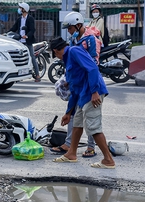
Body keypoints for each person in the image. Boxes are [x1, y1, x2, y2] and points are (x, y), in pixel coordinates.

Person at [49, 37, 115, 169]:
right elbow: (74, 90)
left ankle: (108, 160)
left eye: (55, 55)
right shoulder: (68, 61)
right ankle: (71, 153)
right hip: (83, 95)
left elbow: (92, 69)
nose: (57, 58)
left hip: (92, 94)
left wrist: (94, 91)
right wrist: (68, 113)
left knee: (93, 127)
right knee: (77, 122)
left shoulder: (74, 51)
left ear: (56, 50)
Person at [50, 11, 99, 158]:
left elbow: (93, 64)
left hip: (89, 83)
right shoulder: (73, 40)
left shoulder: (90, 40)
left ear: (78, 25)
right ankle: (69, 144)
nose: (69, 31)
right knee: (73, 114)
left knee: (90, 116)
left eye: (70, 28)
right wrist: (68, 79)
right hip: (77, 83)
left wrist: (93, 89)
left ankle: (91, 147)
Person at [7, 2, 40, 82]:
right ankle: (19, 76)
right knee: (19, 58)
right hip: (19, 41)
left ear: (24, 9)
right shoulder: (19, 19)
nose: (19, 9)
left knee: (32, 57)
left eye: (20, 8)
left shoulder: (30, 19)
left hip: (27, 41)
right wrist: (7, 33)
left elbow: (32, 30)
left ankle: (37, 75)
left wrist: (27, 35)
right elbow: (14, 28)